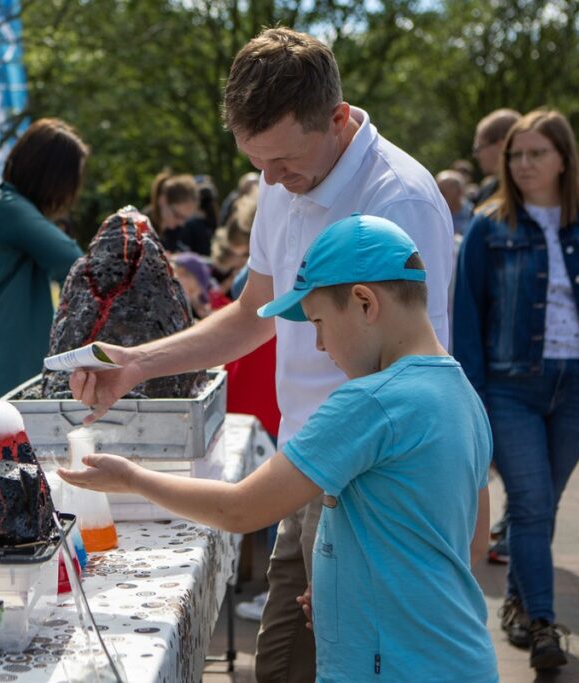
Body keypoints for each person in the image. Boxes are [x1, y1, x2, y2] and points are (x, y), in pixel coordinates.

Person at [70, 26, 453, 683]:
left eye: (282, 161)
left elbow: (416, 380)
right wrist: (135, 363)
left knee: (295, 666)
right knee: (284, 666)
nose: (269, 181)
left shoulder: (401, 201)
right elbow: (253, 317)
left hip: (368, 488)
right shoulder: (284, 183)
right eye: (257, 163)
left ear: (336, 119)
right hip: (307, 465)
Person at [63, 215, 497, 682]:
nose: (320, 344)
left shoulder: (369, 402)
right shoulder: (460, 392)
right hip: (460, 656)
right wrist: (351, 591)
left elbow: (241, 510)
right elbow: (470, 542)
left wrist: (131, 477)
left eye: (318, 323)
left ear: (364, 303)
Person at [454, 108, 579, 669]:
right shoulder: (488, 224)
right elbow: (468, 315)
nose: (523, 164)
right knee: (529, 503)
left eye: (536, 154)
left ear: (563, 159)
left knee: (543, 505)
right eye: (516, 155)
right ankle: (544, 624)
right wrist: (472, 395)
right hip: (510, 386)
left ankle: (522, 605)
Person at [0, 118, 87, 404]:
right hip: (1, 374)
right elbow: (76, 264)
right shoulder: (10, 209)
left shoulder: (2, 203)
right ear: (52, 176)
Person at [473, 108, 522, 205]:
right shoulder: (487, 190)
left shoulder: (530, 194)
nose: (475, 155)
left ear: (501, 145)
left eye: (478, 148)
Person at [145, 171, 202, 253]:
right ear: (162, 200)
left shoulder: (175, 231)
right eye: (177, 215)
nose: (181, 223)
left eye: (185, 218)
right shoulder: (141, 228)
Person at [436, 169, 474, 236]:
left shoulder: (474, 214)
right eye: (436, 192)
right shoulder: (435, 215)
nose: (439, 197)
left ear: (459, 192)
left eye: (442, 192)